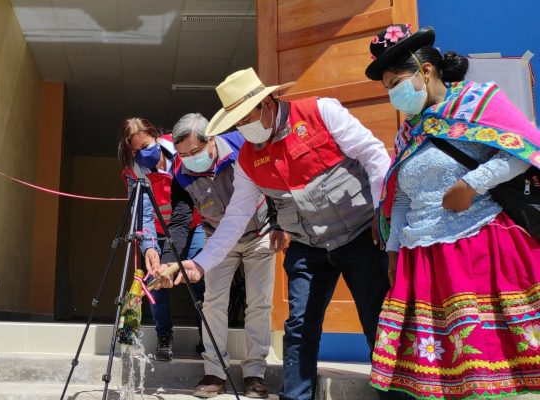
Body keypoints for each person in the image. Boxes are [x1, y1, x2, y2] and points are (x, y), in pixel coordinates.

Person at [155, 68, 403, 400]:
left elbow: (373, 155)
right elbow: (235, 217)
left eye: (247, 117)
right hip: (308, 246)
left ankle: (397, 393)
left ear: (268, 103)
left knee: (378, 318)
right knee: (299, 328)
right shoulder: (247, 159)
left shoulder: (321, 111)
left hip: (360, 234)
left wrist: (381, 214)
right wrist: (198, 265)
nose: (244, 127)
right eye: (237, 121)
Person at [365, 24, 540, 399]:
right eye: (387, 88)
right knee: (438, 374)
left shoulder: (479, 101)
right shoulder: (408, 133)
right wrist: (394, 249)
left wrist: (473, 183)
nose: (393, 93)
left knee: (487, 366)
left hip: (478, 248)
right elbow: (400, 198)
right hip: (422, 259)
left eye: (396, 82)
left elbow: (524, 149)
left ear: (425, 71)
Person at [160, 113, 285, 398]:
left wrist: (279, 223)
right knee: (213, 303)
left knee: (259, 304)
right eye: (182, 154)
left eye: (195, 151)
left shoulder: (243, 144)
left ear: (212, 140)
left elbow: (274, 179)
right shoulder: (181, 174)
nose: (190, 159)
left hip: (260, 233)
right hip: (217, 239)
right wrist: (170, 260)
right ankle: (215, 373)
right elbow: (180, 221)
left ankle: (255, 374)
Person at [117, 117, 206, 361]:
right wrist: (149, 248)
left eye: (145, 146)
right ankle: (164, 336)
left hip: (193, 224)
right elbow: (143, 213)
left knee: (198, 279)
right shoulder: (133, 171)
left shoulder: (180, 151)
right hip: (157, 231)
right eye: (134, 151)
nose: (140, 154)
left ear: (156, 136)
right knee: (157, 280)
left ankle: (207, 338)